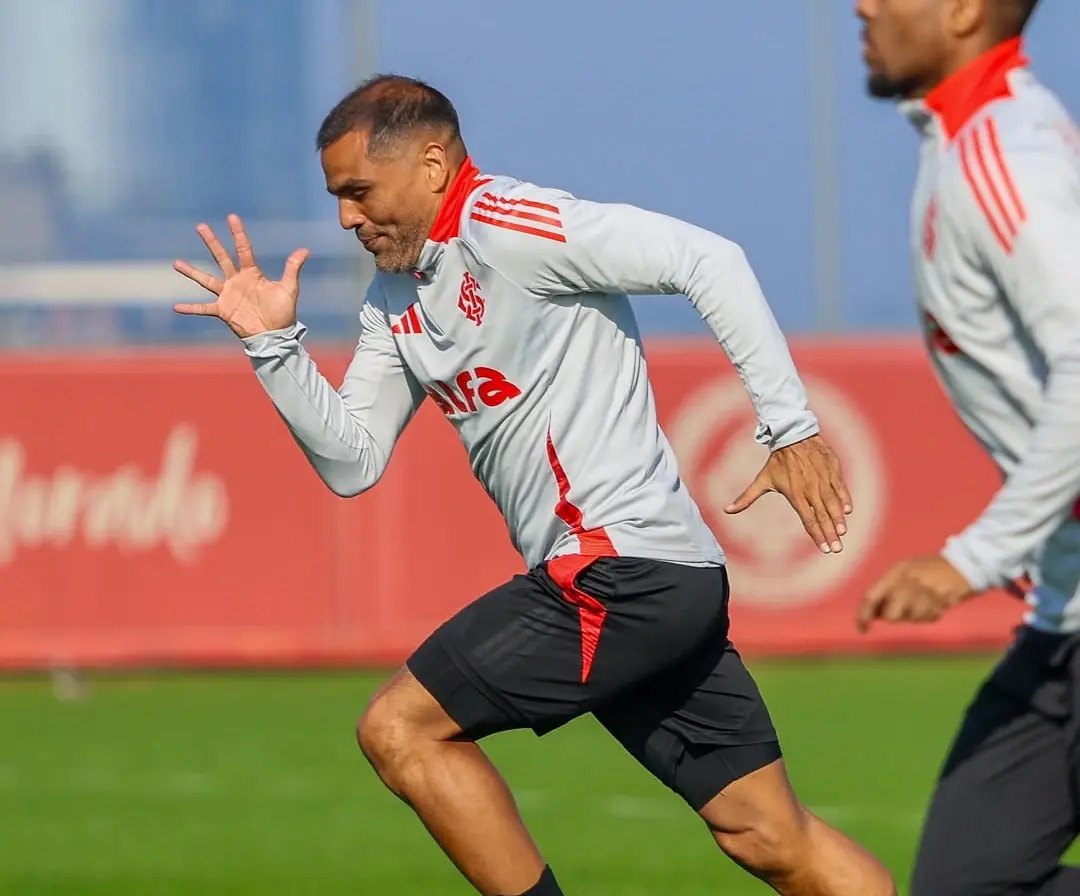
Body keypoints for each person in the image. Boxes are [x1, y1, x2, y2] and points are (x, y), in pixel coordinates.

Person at [173, 74, 896, 896]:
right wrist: (273, 348)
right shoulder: (394, 297)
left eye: (360, 191)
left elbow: (708, 259)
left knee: (400, 729)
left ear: (433, 166)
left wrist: (790, 427)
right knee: (768, 836)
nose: (346, 217)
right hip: (660, 582)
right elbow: (353, 460)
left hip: (617, 573)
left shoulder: (512, 226)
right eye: (338, 196)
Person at [855, 1, 1080, 893]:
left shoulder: (1003, 154)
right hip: (1060, 624)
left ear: (962, 11)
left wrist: (971, 559)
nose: (864, 5)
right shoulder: (962, 141)